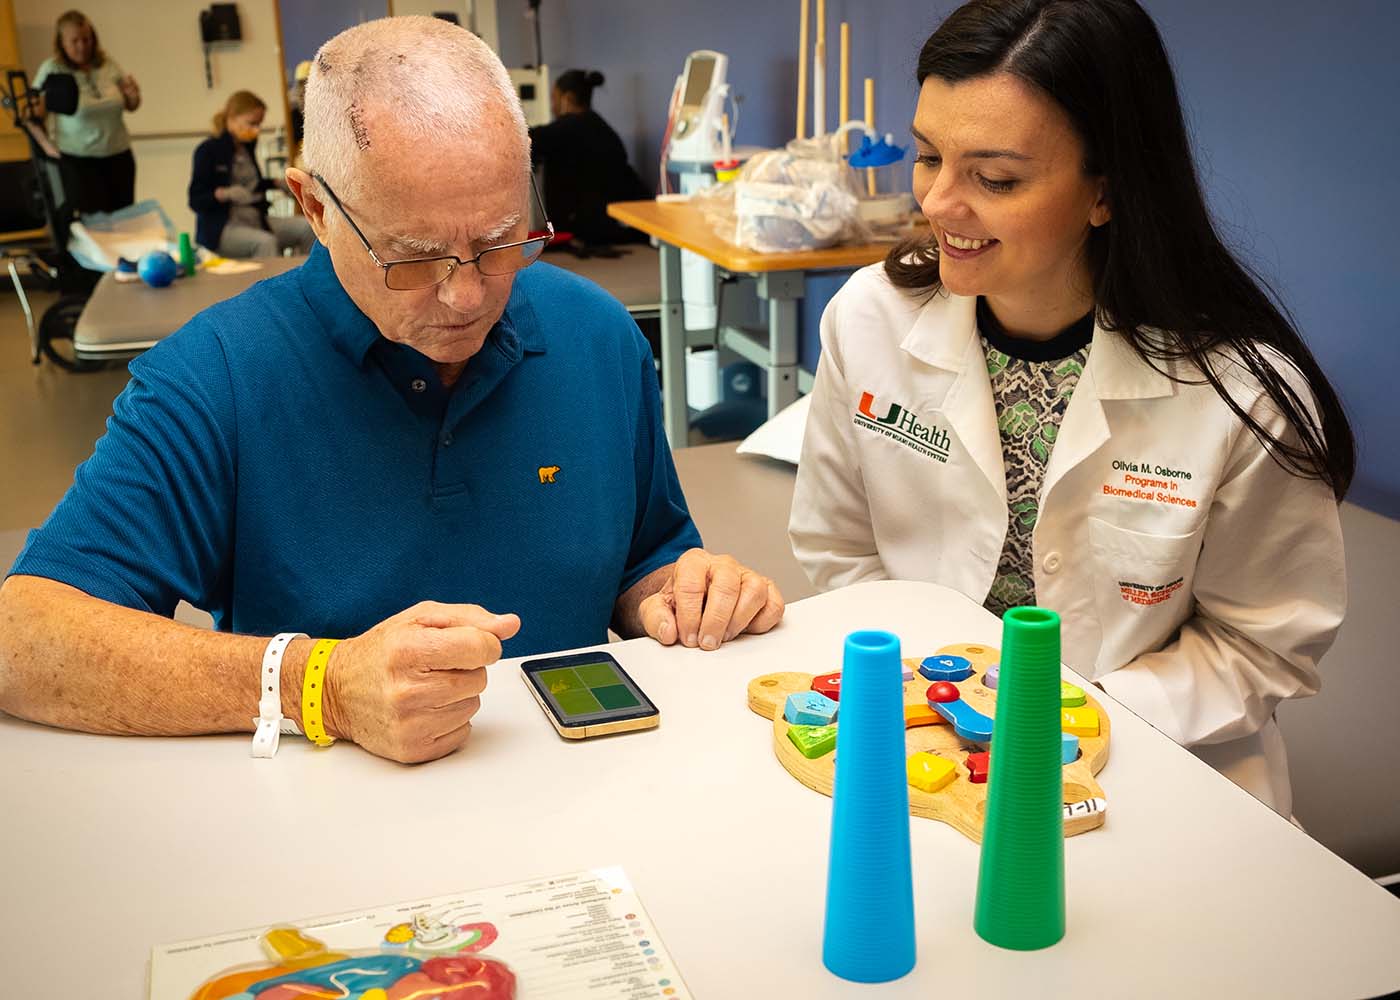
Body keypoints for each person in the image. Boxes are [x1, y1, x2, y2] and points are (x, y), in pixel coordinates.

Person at [0, 17, 783, 765]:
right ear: (314, 207)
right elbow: (23, 639)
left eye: (500, 241)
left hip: (578, 799)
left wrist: (682, 591)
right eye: (414, 258)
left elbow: (646, 556)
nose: (468, 296)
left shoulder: (599, 337)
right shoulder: (215, 378)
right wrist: (322, 687)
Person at [788, 0, 1353, 816]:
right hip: (918, 747)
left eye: (996, 178)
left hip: (1156, 763)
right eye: (927, 156)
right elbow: (838, 549)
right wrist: (935, 709)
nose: (939, 203)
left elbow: (1263, 644)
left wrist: (1078, 720)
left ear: (1106, 191)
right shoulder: (869, 319)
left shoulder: (1239, 390)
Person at [31, 9, 140, 214]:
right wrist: (47, 147)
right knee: (93, 226)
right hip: (79, 162)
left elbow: (130, 104)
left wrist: (134, 96)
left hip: (119, 157)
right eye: (75, 41)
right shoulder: (53, 69)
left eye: (87, 39)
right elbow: (33, 116)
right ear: (62, 42)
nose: (82, 46)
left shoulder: (108, 64)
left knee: (124, 223)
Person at [528, 69, 649, 249]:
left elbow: (526, 141)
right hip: (621, 223)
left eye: (554, 99)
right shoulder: (604, 129)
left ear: (566, 99)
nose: (552, 106)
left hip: (587, 228)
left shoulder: (564, 129)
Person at [188, 90, 314, 258]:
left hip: (255, 219)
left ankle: (308, 279)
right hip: (223, 227)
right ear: (232, 118)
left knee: (307, 228)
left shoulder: (247, 148)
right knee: (266, 242)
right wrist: (224, 194)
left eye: (259, 124)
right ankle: (269, 284)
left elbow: (252, 184)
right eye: (252, 123)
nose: (256, 130)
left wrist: (278, 183)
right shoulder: (207, 150)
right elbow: (196, 199)